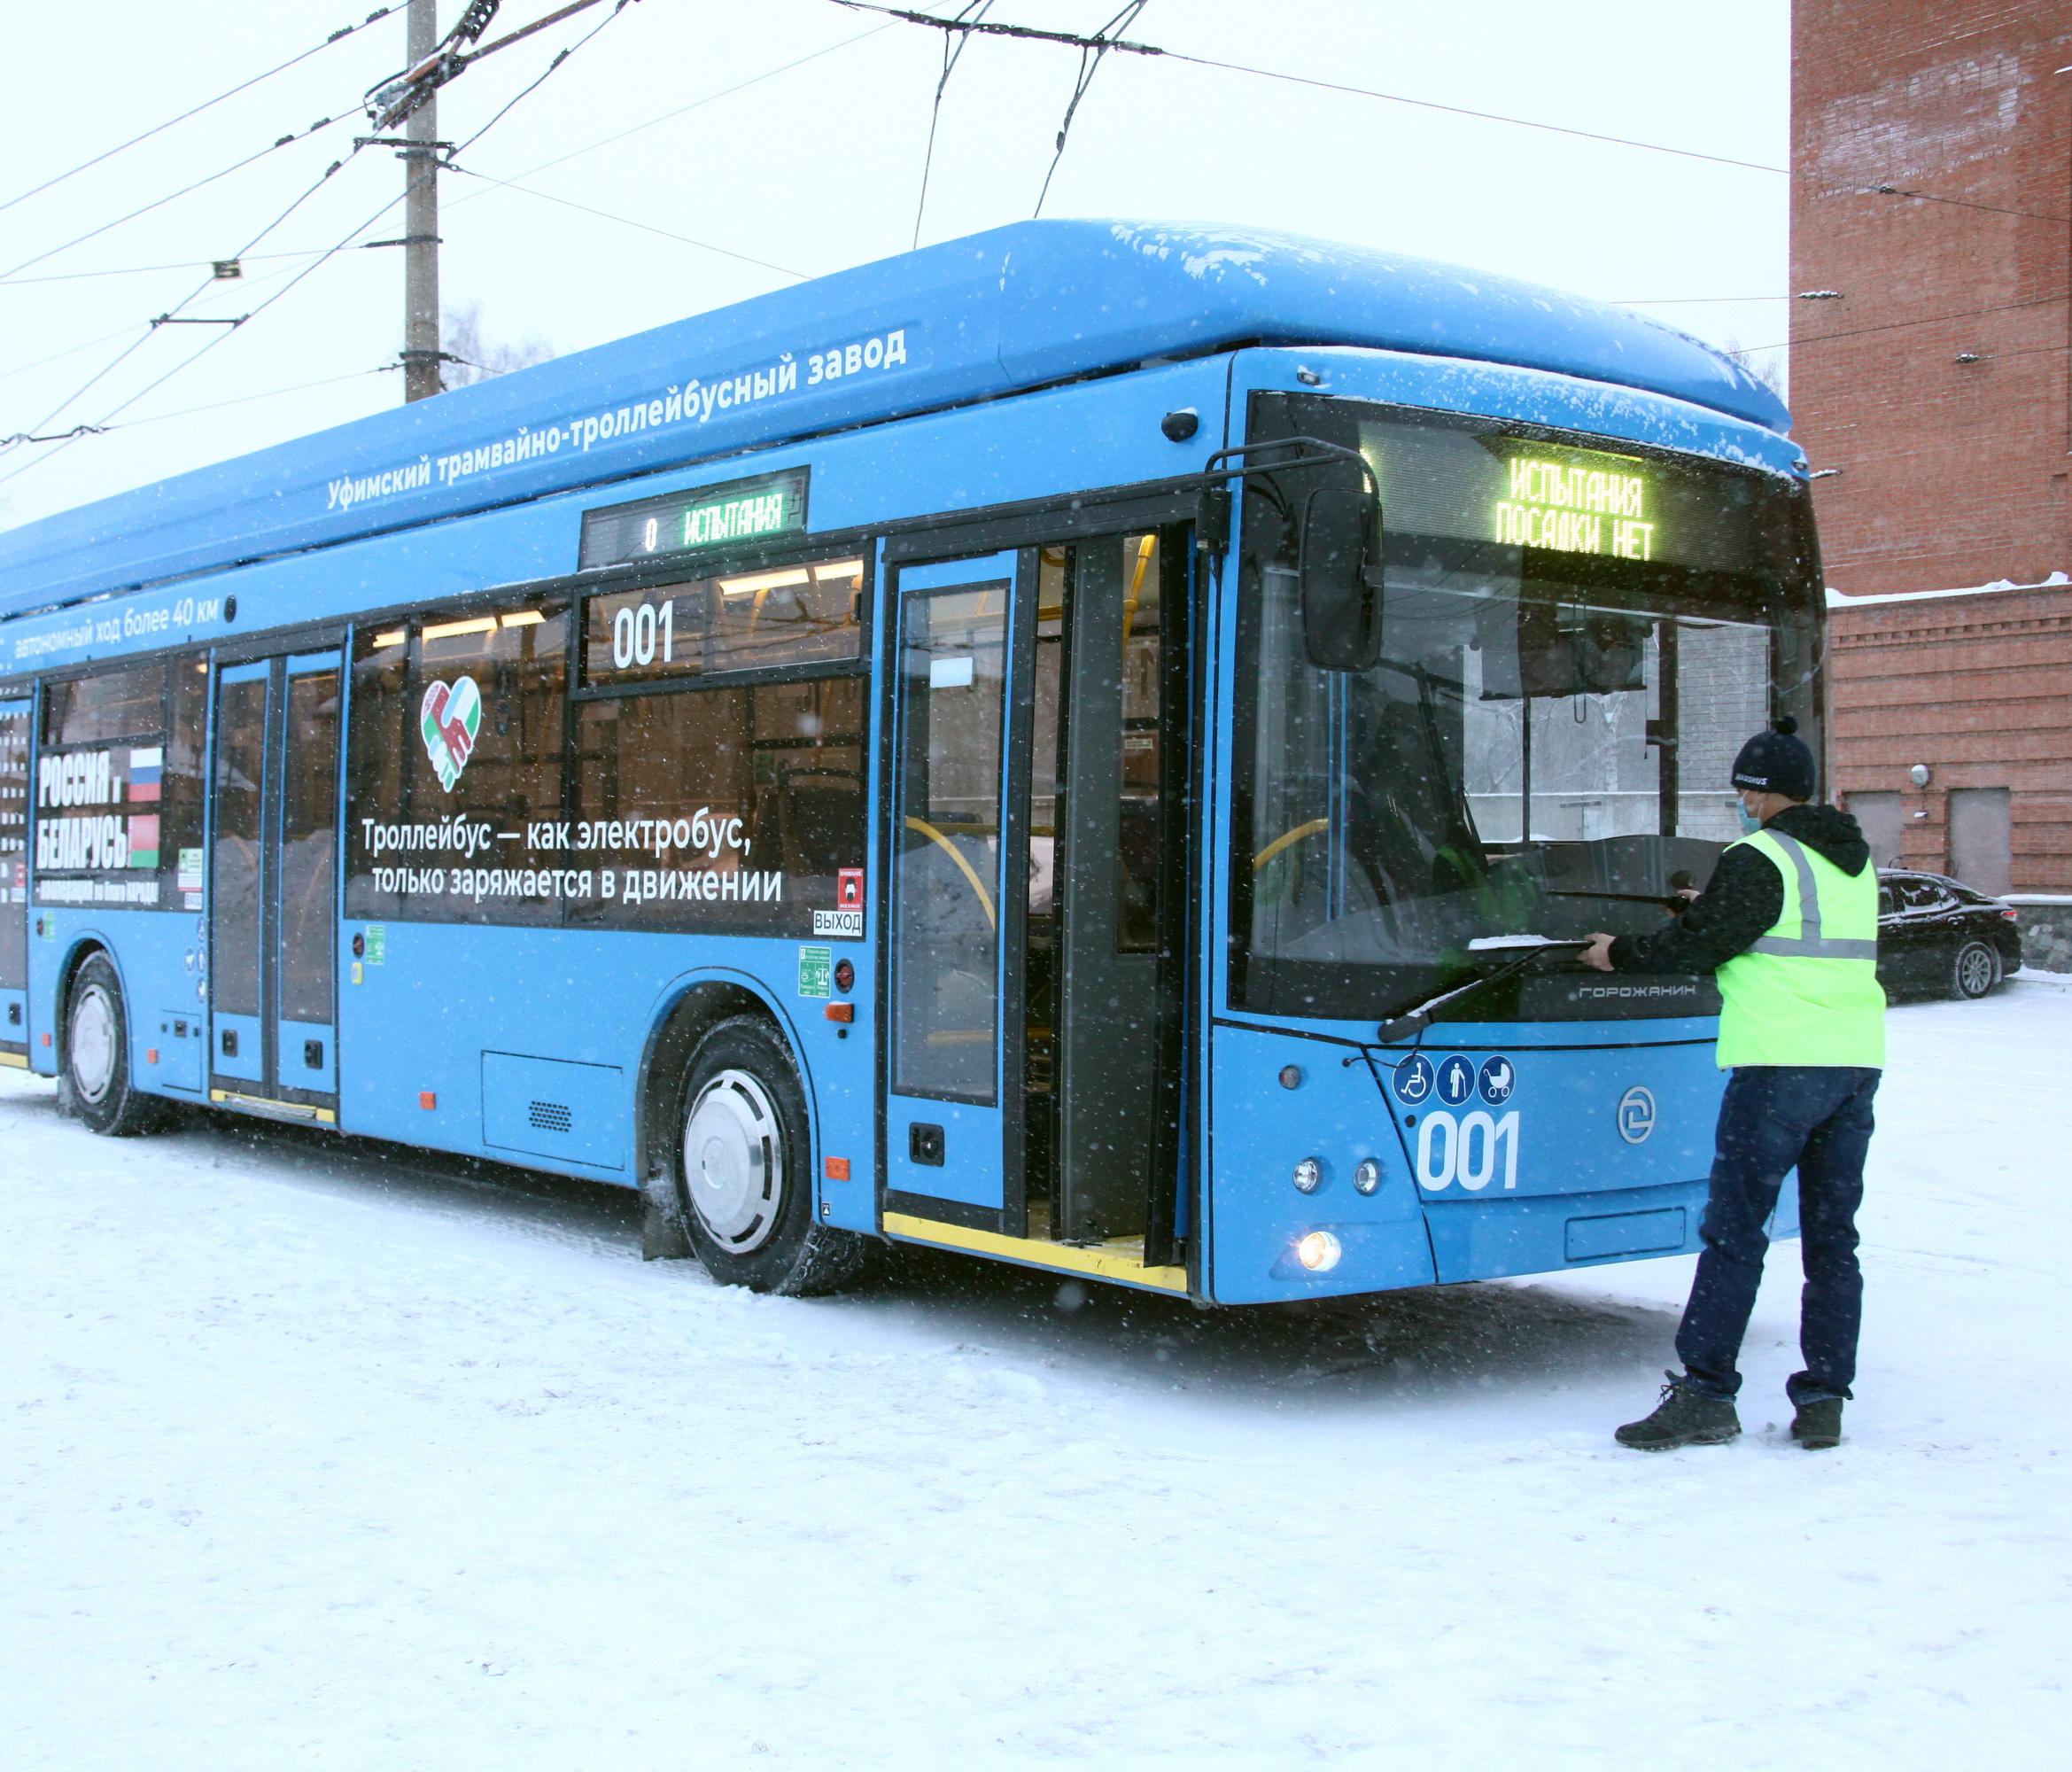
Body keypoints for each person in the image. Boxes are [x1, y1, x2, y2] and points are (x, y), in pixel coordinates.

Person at [1579, 717, 1884, 1452]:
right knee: (1832, 1240)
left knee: (1734, 1233)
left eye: (1742, 792)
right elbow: (1780, 935)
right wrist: (1707, 910)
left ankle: (1706, 1393)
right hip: (1853, 1066)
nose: (1739, 804)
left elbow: (1702, 945)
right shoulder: (1852, 863)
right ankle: (1823, 1397)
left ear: (1756, 793)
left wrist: (1616, 953)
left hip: (1779, 1069)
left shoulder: (1760, 855)